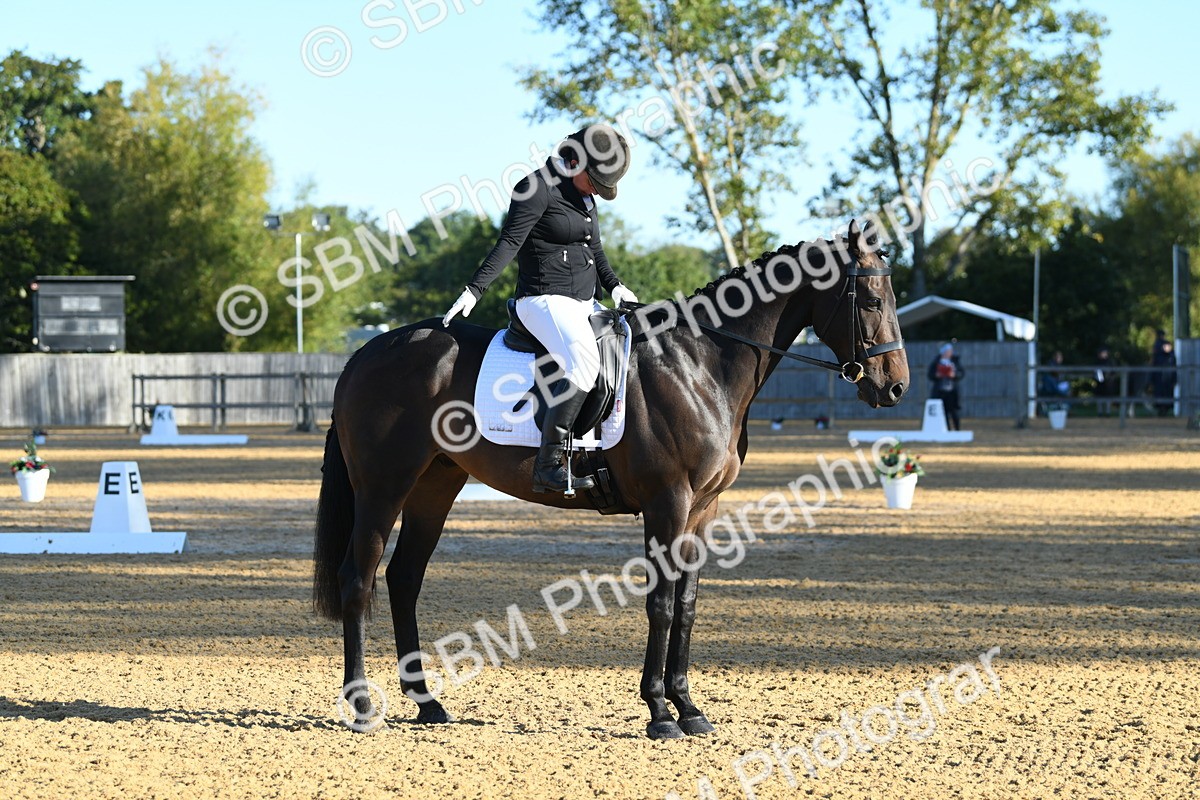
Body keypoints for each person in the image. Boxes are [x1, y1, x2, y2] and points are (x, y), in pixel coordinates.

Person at [442, 124, 639, 494]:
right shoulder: (535, 188)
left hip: (584, 301)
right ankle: (548, 465)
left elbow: (595, 251)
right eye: (594, 179)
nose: (597, 188)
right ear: (574, 160)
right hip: (543, 299)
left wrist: (616, 286)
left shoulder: (585, 197)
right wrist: (473, 290)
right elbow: (509, 242)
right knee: (584, 361)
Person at [927, 342, 965, 431]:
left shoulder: (955, 361)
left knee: (954, 411)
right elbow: (930, 374)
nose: (950, 352)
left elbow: (961, 373)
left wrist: (954, 375)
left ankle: (957, 430)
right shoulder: (936, 361)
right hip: (940, 391)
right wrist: (936, 375)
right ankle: (947, 430)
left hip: (952, 392)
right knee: (943, 413)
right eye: (948, 351)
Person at [1151, 339, 1177, 417]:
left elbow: (1175, 369)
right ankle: (1161, 410)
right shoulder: (1159, 357)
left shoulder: (1172, 356)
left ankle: (1166, 410)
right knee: (1160, 396)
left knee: (1168, 396)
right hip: (1160, 380)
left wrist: (1175, 379)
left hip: (1168, 380)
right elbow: (1154, 369)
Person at [1093, 346, 1118, 416]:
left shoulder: (1110, 361)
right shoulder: (1097, 362)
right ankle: (1100, 412)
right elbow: (1094, 372)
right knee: (1099, 398)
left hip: (1108, 383)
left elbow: (1114, 372)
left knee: (1108, 398)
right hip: (1099, 383)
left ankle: (1108, 412)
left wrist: (1110, 378)